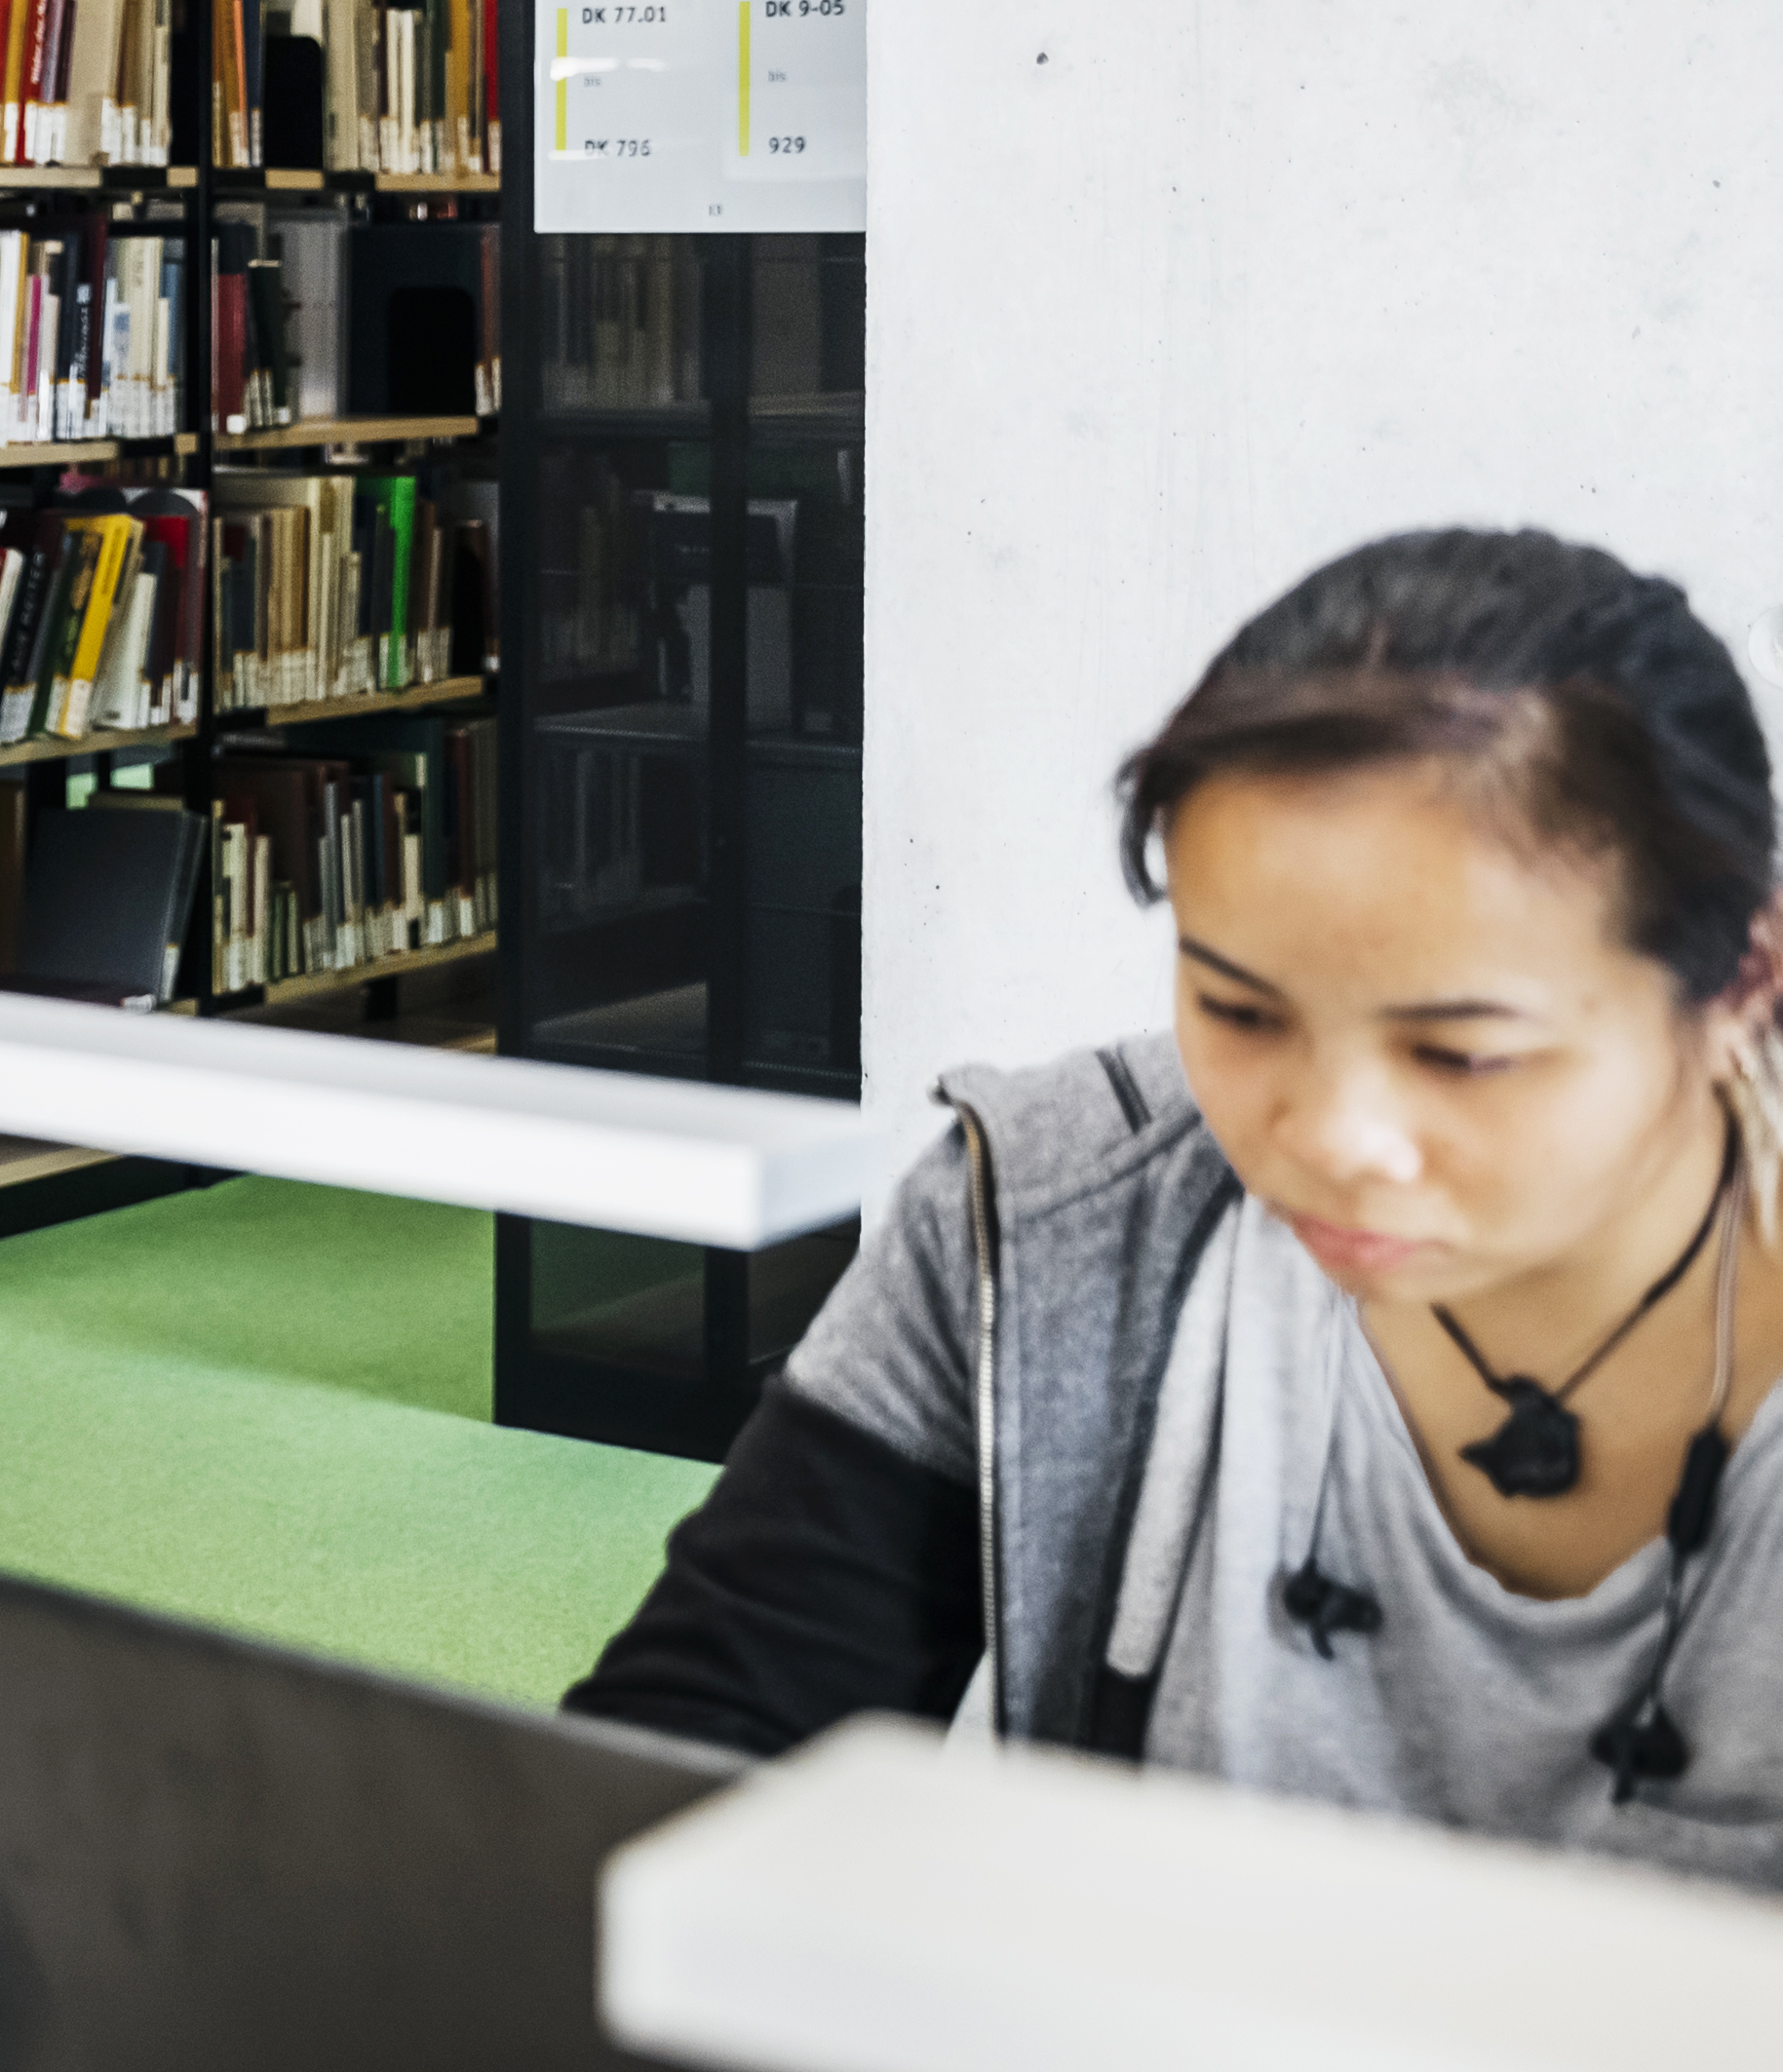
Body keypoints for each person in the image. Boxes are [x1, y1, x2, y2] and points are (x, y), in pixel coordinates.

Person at [571, 528, 1783, 1886]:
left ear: (1741, 980)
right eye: (1239, 1007)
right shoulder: (1047, 1207)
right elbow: (669, 1782)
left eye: (1461, 1050)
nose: (1328, 1135)